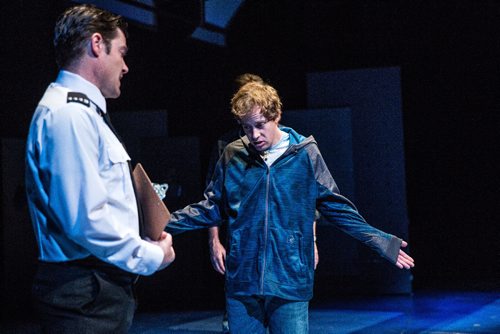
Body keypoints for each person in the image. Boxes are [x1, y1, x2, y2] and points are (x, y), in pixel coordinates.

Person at [166, 80, 414, 333]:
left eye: (260, 126)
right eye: (246, 127)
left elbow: (336, 207)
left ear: (276, 116)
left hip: (289, 278)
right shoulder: (233, 154)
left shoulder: (304, 154)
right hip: (243, 279)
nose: (254, 135)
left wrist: (381, 242)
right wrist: (160, 224)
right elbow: (211, 207)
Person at [25, 4, 175, 333]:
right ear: (96, 44)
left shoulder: (82, 113)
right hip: (84, 291)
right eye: (121, 52)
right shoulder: (70, 115)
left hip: (92, 288)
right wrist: (150, 256)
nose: (125, 67)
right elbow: (85, 219)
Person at [206, 74, 319, 333]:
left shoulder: (297, 150)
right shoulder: (229, 148)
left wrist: (311, 241)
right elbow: (212, 199)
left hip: (284, 259)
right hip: (244, 257)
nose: (254, 132)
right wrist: (214, 240)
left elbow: (308, 200)